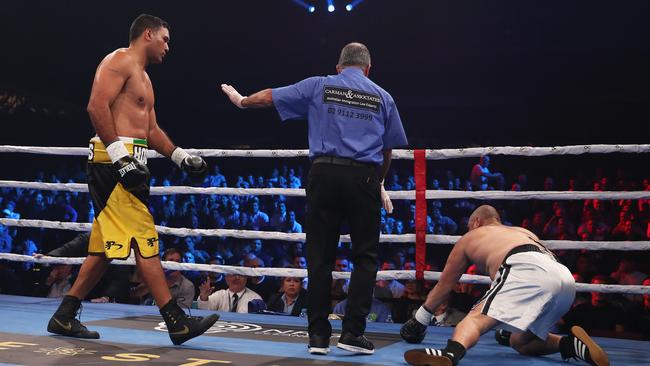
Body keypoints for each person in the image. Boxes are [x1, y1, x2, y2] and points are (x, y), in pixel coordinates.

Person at [222, 42, 407, 355]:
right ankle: (352, 334)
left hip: (323, 175)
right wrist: (379, 182)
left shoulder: (319, 85)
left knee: (320, 258)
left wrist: (241, 101)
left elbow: (269, 96)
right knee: (364, 257)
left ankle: (318, 338)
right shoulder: (382, 96)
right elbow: (388, 150)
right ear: (368, 68)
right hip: (363, 178)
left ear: (339, 66)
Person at [46, 14, 217, 346]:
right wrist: (118, 155)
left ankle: (64, 315)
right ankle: (176, 321)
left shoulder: (146, 81)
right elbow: (96, 107)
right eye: (165, 39)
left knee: (105, 248)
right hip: (113, 163)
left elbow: (150, 131)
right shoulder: (119, 60)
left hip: (132, 163)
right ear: (148, 34)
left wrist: (179, 155)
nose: (169, 46)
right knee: (143, 237)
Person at [400, 205, 609, 366]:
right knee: (521, 342)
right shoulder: (523, 231)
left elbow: (444, 288)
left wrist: (420, 320)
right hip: (564, 278)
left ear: (476, 222)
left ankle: (448, 356)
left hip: (524, 268)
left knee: (474, 320)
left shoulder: (471, 236)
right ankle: (572, 345)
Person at [198, 273, 262, 313]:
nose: (237, 278)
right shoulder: (220, 295)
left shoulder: (255, 298)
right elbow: (204, 311)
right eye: (233, 274)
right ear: (226, 278)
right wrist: (204, 298)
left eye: (240, 275)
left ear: (246, 278)